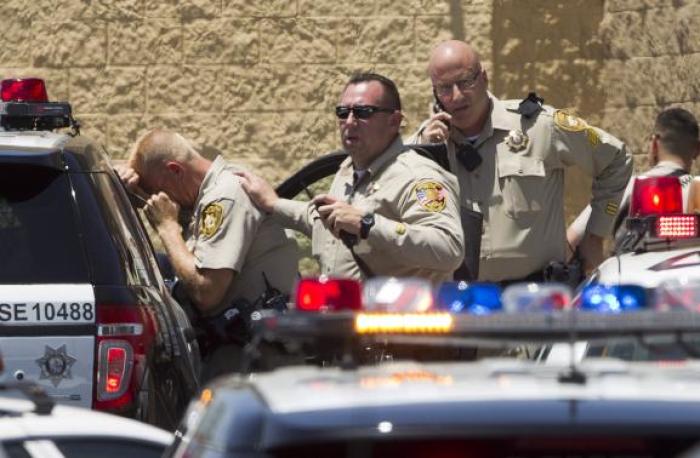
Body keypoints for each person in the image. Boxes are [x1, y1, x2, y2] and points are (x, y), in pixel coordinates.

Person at [409, 40, 632, 283]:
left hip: (536, 296)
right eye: (444, 88)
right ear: (434, 92)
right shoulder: (422, 147)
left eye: (465, 82)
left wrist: (595, 235)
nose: (456, 95)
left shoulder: (541, 125)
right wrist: (425, 155)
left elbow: (617, 159)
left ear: (484, 78)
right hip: (459, 299)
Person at [237, 72, 465, 283]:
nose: (349, 121)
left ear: (394, 121)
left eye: (363, 112)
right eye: (343, 113)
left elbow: (449, 248)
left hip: (397, 323)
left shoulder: (418, 177)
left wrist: (367, 224)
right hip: (342, 321)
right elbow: (327, 222)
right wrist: (273, 203)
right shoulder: (348, 169)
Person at [116, 129, 299, 380]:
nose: (155, 200)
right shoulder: (207, 192)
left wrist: (167, 228)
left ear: (175, 171)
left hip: (255, 367)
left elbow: (206, 292)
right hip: (240, 361)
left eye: (155, 190)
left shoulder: (224, 197)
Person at [569, 107, 699, 248]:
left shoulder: (626, 188)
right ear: (697, 149)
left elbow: (572, 239)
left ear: (654, 143)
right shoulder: (696, 190)